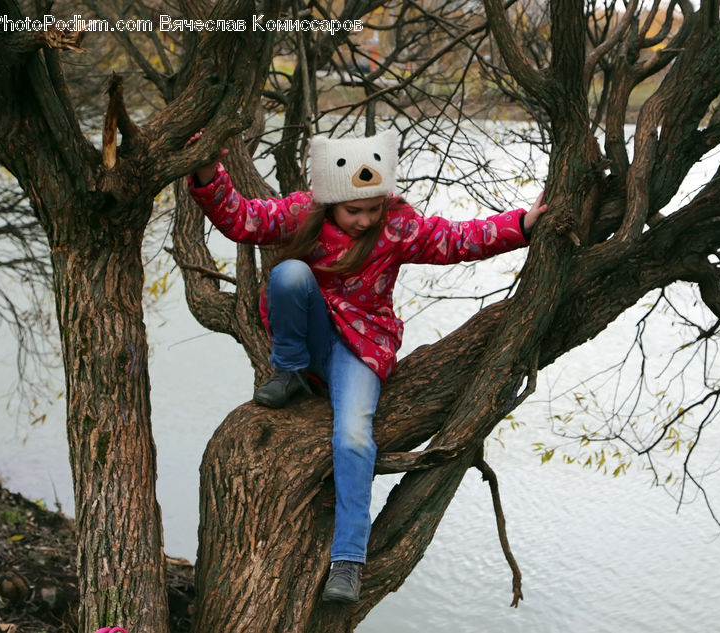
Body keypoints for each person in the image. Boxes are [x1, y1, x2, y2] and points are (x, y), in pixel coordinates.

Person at [186, 129, 547, 603]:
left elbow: (456, 239)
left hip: (361, 349)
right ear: (331, 202)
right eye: (353, 211)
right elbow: (244, 220)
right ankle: (288, 371)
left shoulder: (395, 228)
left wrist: (521, 224)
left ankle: (348, 562)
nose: (363, 220)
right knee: (289, 275)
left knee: (355, 436)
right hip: (310, 341)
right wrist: (209, 174)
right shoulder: (301, 214)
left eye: (372, 209)